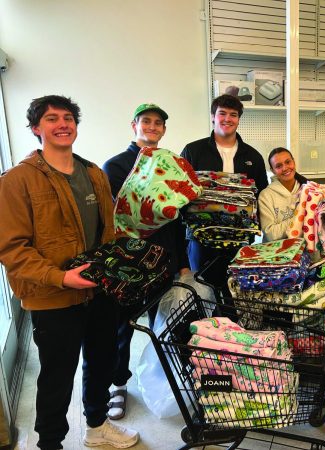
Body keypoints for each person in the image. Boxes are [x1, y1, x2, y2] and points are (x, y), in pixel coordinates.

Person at [0, 95, 138, 449]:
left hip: (100, 288)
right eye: (51, 118)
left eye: (68, 117)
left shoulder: (93, 173)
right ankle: (50, 443)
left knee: (101, 362)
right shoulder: (17, 180)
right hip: (53, 296)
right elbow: (12, 248)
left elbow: (110, 231)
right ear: (36, 128)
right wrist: (61, 277)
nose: (62, 124)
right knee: (56, 377)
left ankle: (96, 426)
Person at [102, 103, 191, 420]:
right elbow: (116, 217)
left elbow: (177, 219)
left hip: (165, 258)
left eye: (158, 123)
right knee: (122, 327)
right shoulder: (115, 166)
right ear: (134, 126)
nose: (152, 127)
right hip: (130, 262)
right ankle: (118, 385)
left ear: (164, 130)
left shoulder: (170, 165)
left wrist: (182, 262)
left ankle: (168, 382)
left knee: (166, 323)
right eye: (146, 121)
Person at [180, 94, 268, 291]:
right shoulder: (193, 151)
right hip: (201, 240)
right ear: (213, 116)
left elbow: (261, 195)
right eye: (222, 113)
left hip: (239, 241)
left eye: (233, 115)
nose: (227, 119)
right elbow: (180, 194)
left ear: (238, 119)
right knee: (203, 293)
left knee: (236, 294)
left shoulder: (253, 156)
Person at [258, 147, 308, 242]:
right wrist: (302, 217)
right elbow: (270, 234)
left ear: (294, 162)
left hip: (306, 250)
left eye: (288, 162)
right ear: (272, 170)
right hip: (277, 253)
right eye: (278, 166)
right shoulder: (266, 196)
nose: (285, 168)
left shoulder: (308, 189)